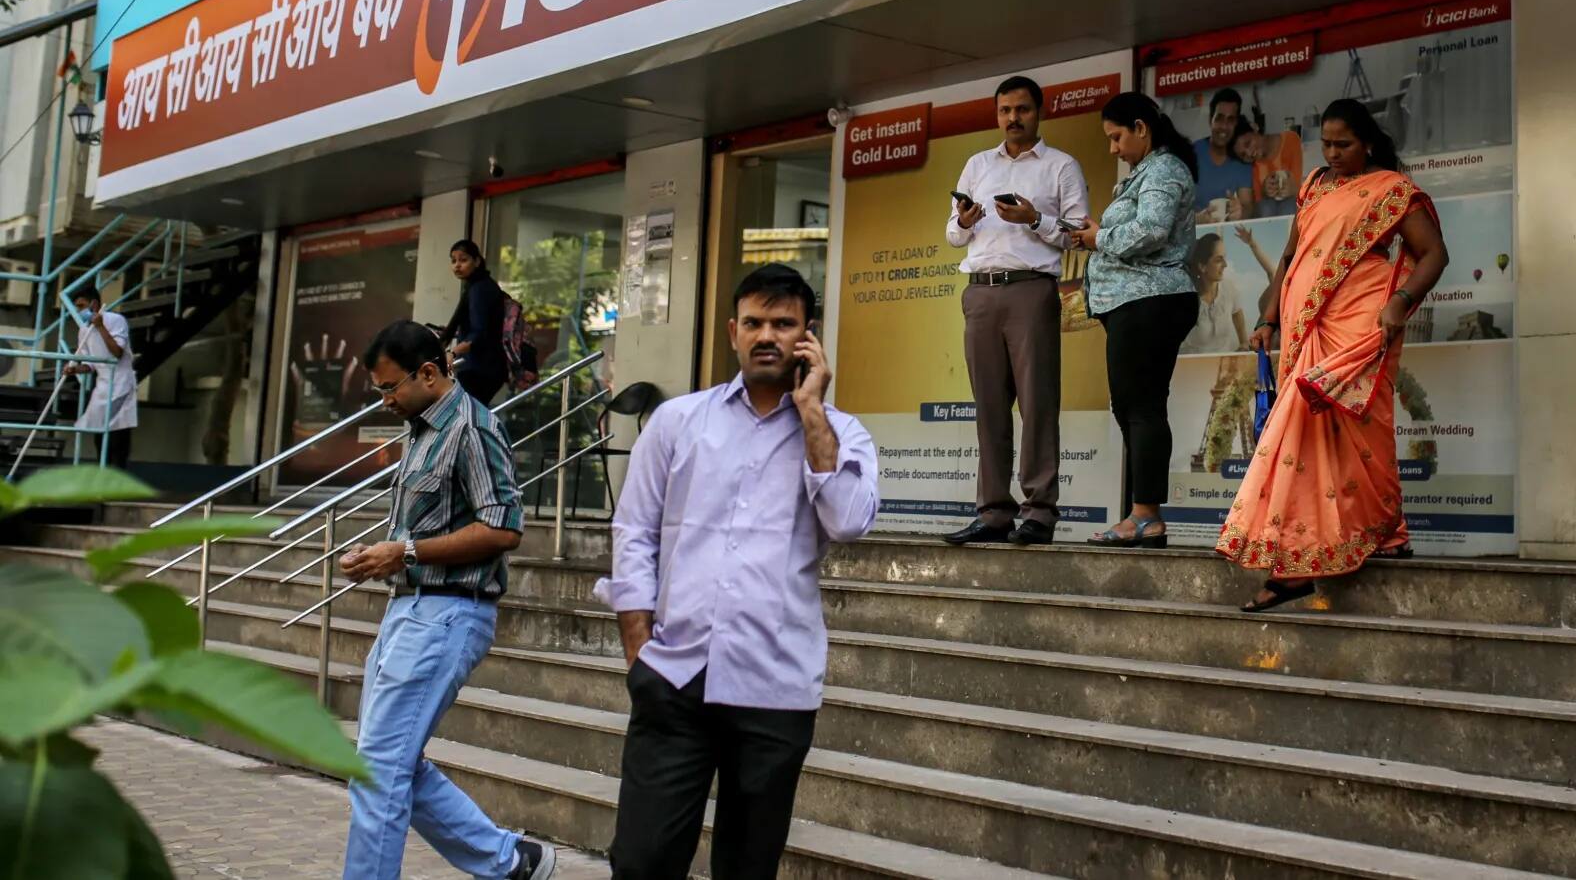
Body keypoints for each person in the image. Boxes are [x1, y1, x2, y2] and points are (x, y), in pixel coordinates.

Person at [605, 265, 877, 880]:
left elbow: (848, 522)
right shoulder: (678, 421)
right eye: (754, 323)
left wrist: (812, 411)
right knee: (642, 862)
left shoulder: (843, 434)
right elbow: (634, 530)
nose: (766, 336)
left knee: (748, 867)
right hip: (674, 676)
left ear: (808, 336)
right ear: (733, 331)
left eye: (783, 324)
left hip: (774, 685)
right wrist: (638, 649)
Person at [338, 320, 554, 880]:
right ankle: (511, 862)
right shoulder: (421, 428)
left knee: (379, 770)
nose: (384, 400)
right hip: (409, 608)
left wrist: (405, 552)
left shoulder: (472, 428)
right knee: (387, 763)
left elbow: (504, 528)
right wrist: (381, 554)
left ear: (429, 373)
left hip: (450, 612)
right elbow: (425, 527)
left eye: (390, 387)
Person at [1218, 98, 1449, 612]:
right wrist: (1268, 318)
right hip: (1306, 326)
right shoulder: (1315, 185)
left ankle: (1377, 535)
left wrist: (1401, 302)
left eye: (1343, 144)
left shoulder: (1392, 190)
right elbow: (1289, 256)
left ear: (1367, 142)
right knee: (1307, 433)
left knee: (1363, 428)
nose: (1333, 153)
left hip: (1361, 320)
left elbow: (1434, 253)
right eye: (1326, 144)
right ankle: (1305, 554)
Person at [940, 76, 1089, 547]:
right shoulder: (977, 164)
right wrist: (965, 221)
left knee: (1037, 403)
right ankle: (993, 512)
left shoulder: (1060, 166)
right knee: (989, 407)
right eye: (1005, 110)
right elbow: (952, 235)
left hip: (1031, 290)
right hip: (980, 293)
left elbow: (1077, 234)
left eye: (1022, 109)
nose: (1013, 118)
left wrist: (1034, 219)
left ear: (1039, 112)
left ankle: (1039, 512)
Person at [1073, 92, 1199, 547]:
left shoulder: (1164, 169)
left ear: (1141, 128)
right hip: (1134, 302)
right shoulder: (1148, 171)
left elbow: (1152, 229)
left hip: (1151, 300)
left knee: (1142, 407)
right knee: (1132, 407)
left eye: (1116, 137)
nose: (1113, 149)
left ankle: (1146, 516)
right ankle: (1143, 514)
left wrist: (1099, 238)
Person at [65, 282, 137, 469]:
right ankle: (102, 475)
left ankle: (117, 476)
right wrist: (75, 370)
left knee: (117, 437)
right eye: (77, 307)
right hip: (103, 385)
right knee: (99, 437)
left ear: (94, 304)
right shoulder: (84, 330)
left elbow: (117, 352)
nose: (79, 311)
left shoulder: (116, 320)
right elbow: (90, 364)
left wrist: (101, 327)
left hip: (121, 383)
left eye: (81, 306)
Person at [1182, 226, 1282, 355]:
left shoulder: (1228, 288)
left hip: (1227, 362)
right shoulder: (1187, 296)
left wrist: (1243, 343)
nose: (1225, 264)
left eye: (1224, 258)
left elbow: (1273, 274)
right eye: (1219, 260)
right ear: (1202, 266)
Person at [441, 239, 509, 405]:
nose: (457, 265)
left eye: (463, 260)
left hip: (482, 369)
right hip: (485, 367)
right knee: (468, 414)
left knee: (464, 413)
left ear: (477, 261)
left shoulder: (479, 289)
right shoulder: (479, 286)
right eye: (454, 261)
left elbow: (479, 332)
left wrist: (452, 353)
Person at [1192, 88, 1254, 223]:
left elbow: (1247, 205)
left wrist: (1241, 212)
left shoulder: (1242, 158)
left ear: (1236, 123)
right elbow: (1174, 208)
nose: (1224, 126)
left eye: (1230, 120)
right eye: (1219, 119)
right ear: (1210, 120)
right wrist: (1197, 219)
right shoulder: (1191, 153)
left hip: (1228, 232)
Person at [1232, 114, 1304, 218]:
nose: (1249, 153)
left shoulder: (1290, 139)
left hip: (1297, 204)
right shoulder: (1253, 166)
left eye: (1248, 143)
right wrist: (1264, 192)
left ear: (1254, 127)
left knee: (1288, 206)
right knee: (1265, 207)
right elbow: (1257, 203)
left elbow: (1306, 183)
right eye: (1243, 155)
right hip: (1268, 211)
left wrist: (1294, 189)